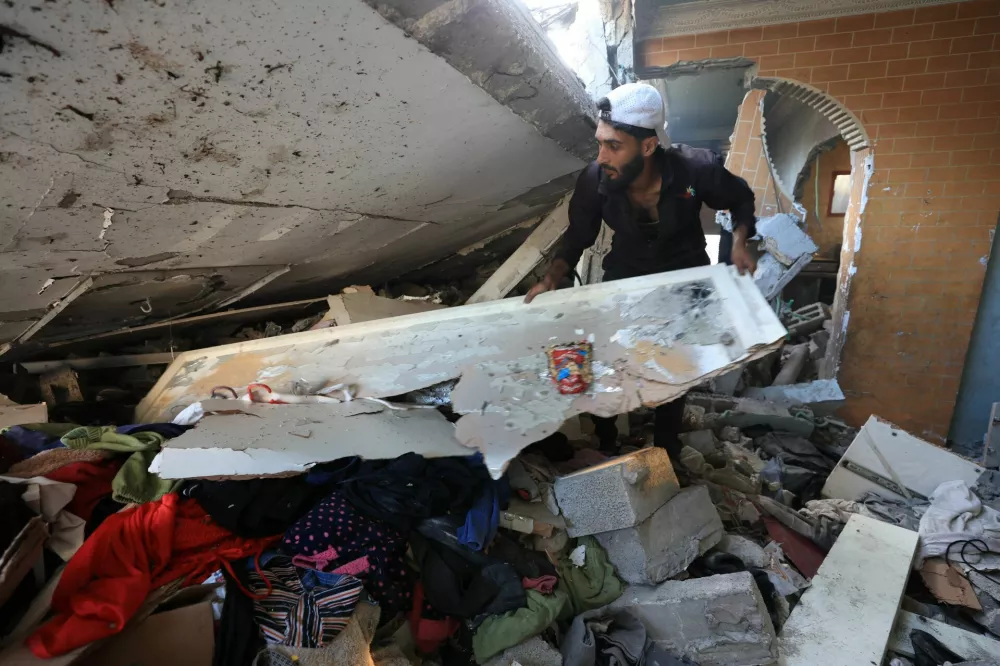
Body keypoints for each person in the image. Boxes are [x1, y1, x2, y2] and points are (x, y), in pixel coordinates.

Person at [524, 82, 758, 460]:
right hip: (626, 273)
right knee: (605, 359)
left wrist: (742, 242)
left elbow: (740, 199)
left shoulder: (696, 170)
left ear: (648, 146)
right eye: (600, 143)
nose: (601, 156)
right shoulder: (594, 179)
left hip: (685, 274)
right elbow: (579, 235)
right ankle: (606, 437)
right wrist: (552, 277)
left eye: (613, 146)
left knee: (676, 366)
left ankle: (665, 448)